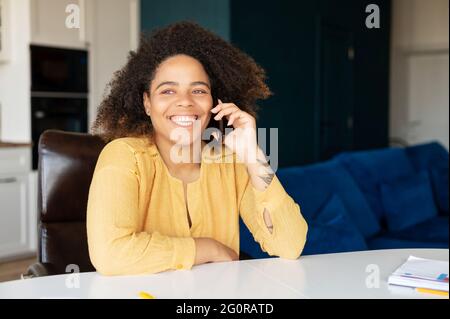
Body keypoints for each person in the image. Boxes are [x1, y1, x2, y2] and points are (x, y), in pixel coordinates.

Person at [87, 21, 308, 275]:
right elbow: (110, 254)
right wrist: (208, 248)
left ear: (214, 101)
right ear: (147, 103)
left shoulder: (230, 160)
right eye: (168, 91)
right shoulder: (125, 156)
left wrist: (254, 154)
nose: (185, 102)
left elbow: (290, 245)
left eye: (198, 90)